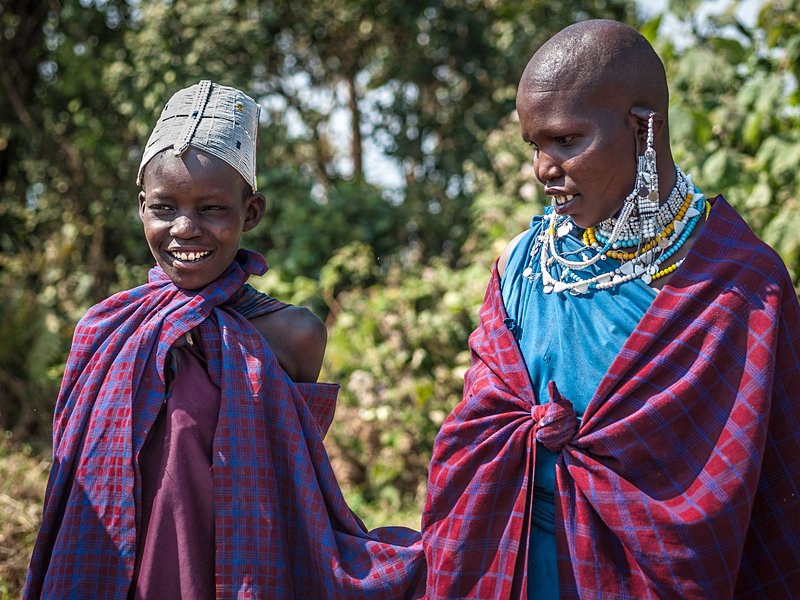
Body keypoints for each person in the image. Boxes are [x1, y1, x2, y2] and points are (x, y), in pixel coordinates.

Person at [422, 19, 800, 599]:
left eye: (566, 141)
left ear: (643, 129)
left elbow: (774, 483)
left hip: (646, 578)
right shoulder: (524, 264)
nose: (543, 169)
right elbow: (478, 434)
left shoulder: (740, 284)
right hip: (516, 563)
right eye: (535, 146)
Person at [25, 81, 424, 599]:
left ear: (250, 213)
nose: (184, 228)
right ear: (142, 208)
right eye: (164, 208)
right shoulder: (107, 330)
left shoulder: (292, 335)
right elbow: (75, 492)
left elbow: (288, 486)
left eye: (212, 208)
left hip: (239, 574)